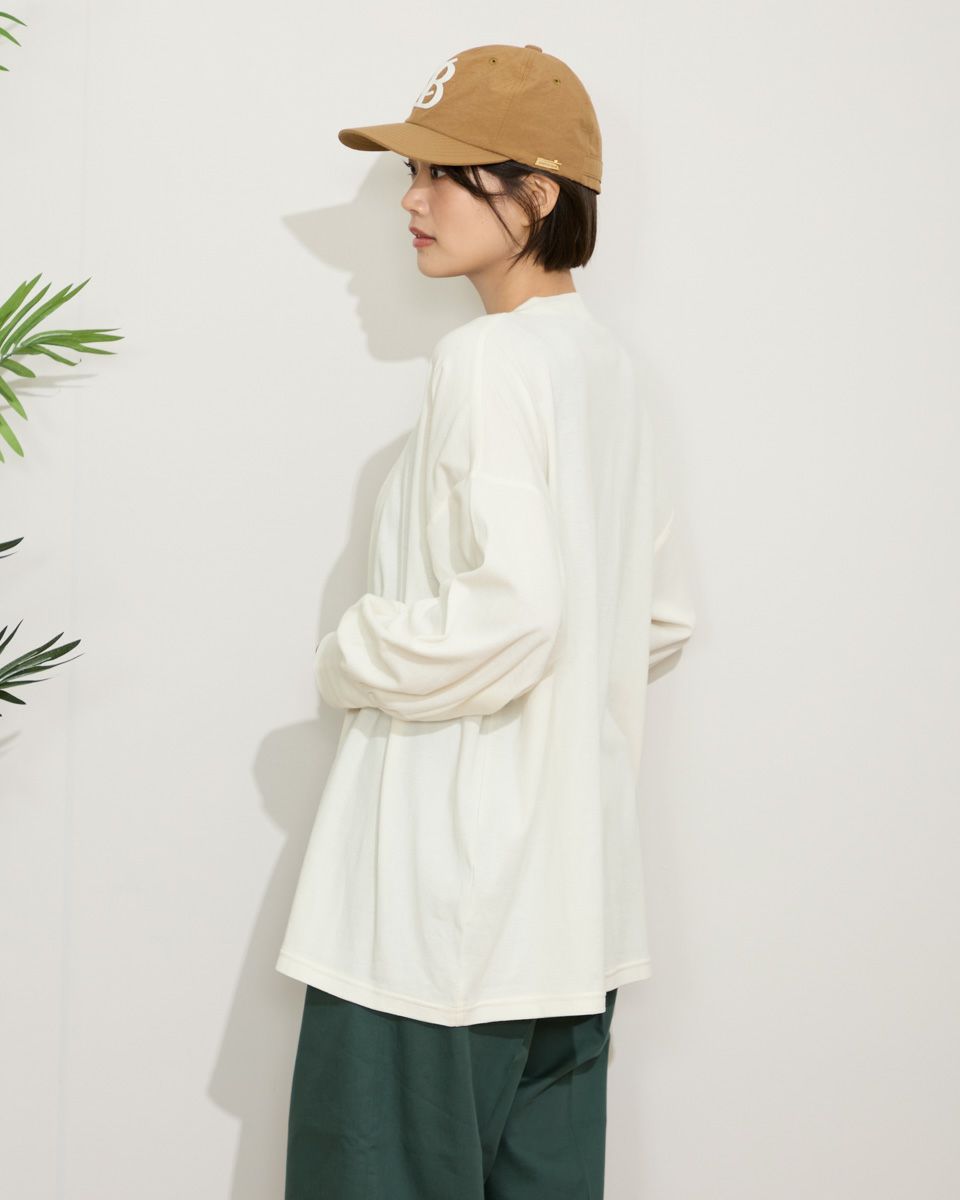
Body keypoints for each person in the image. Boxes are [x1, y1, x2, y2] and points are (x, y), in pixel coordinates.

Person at [278, 42, 696, 1199]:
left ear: (538, 195)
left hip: (435, 917)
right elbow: (658, 618)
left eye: (443, 175)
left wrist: (351, 656)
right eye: (409, 173)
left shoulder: (487, 359)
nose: (410, 202)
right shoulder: (611, 372)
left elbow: (511, 618)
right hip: (572, 913)